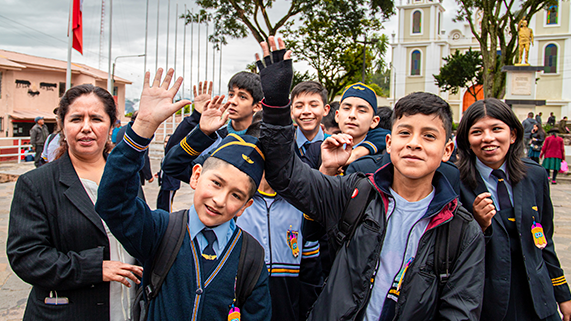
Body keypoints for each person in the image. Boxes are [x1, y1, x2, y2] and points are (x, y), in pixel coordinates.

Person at [255, 37, 485, 321]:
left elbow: (460, 313)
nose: (414, 143)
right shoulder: (356, 193)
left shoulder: (462, 231)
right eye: (404, 133)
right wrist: (277, 107)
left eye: (428, 136)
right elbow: (286, 175)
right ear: (388, 143)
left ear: (447, 150)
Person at [95, 68, 271, 320]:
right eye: (216, 183)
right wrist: (142, 128)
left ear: (246, 204)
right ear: (197, 176)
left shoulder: (251, 256)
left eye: (236, 195)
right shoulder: (161, 230)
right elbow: (114, 202)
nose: (219, 200)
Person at [7, 84, 143, 321]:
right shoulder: (36, 184)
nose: (86, 128)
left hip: (127, 307)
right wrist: (94, 268)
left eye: (97, 119)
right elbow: (26, 257)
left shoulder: (127, 178)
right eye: (76, 119)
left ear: (112, 125)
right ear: (62, 124)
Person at [456, 98, 571, 321]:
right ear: (467, 141)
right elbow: (450, 250)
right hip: (487, 301)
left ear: (513, 134)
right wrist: (478, 225)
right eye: (477, 132)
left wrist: (562, 293)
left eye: (497, 129)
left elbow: (544, 240)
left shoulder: (535, 176)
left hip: (537, 297)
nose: (488, 138)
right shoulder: (455, 182)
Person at [156, 134, 181, 212]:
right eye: (165, 142)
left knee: (167, 205)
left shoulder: (174, 155)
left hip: (170, 184)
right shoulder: (165, 155)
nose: (166, 144)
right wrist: (159, 173)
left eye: (168, 142)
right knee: (161, 203)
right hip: (164, 183)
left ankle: (169, 220)